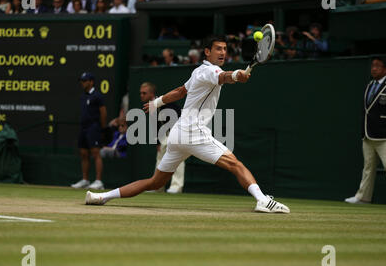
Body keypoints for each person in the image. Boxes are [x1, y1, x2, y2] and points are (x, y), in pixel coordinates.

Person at [85, 35, 291, 213]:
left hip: (177, 134)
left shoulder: (197, 72)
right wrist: (237, 75)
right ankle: (263, 200)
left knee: (155, 182)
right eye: (218, 49)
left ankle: (101, 197)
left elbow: (180, 92)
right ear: (207, 52)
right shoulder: (211, 71)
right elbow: (225, 77)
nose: (222, 52)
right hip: (193, 133)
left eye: (225, 49)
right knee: (235, 164)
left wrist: (157, 102)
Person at [345, 57, 386, 206]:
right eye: (373, 65)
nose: (374, 68)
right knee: (368, 168)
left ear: (385, 69)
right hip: (368, 134)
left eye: (378, 66)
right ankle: (363, 197)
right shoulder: (369, 85)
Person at [139, 81, 184, 194]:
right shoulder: (151, 106)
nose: (141, 95)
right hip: (165, 134)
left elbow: (178, 114)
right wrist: (157, 142)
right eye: (141, 93)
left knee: (178, 159)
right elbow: (156, 125)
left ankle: (176, 187)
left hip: (178, 132)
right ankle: (157, 187)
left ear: (151, 93)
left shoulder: (164, 101)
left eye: (144, 93)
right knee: (160, 160)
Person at [71, 72, 108, 190]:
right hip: (83, 128)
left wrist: (102, 129)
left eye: (85, 81)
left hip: (94, 127)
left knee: (96, 153)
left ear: (91, 82)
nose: (82, 83)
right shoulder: (83, 96)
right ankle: (85, 180)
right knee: (83, 153)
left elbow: (103, 112)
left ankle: (98, 181)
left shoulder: (97, 96)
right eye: (81, 81)